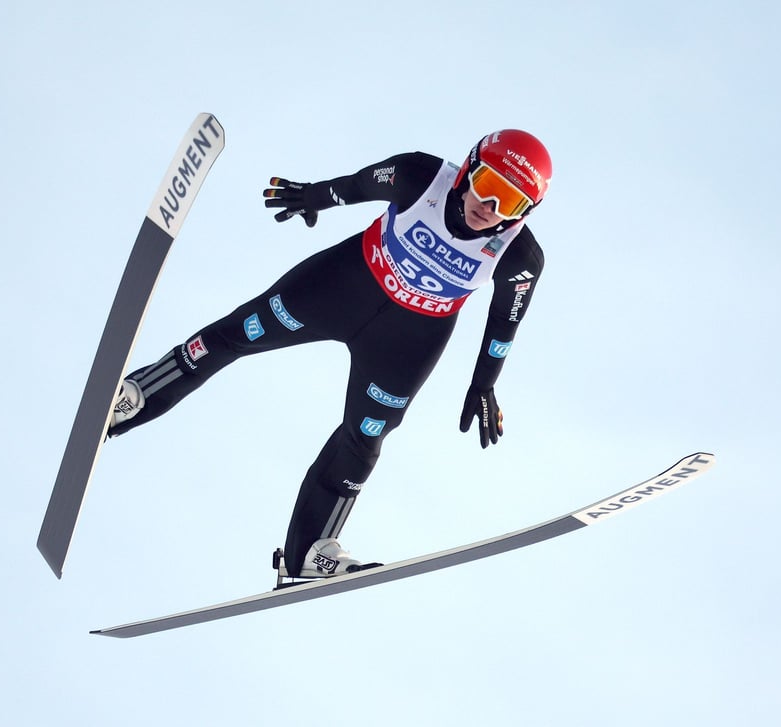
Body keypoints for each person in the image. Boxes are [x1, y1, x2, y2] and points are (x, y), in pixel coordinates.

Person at [108, 129, 552, 580]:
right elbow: (357, 186)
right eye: (488, 185)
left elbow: (504, 323)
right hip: (340, 287)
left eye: (510, 202)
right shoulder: (420, 176)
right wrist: (311, 197)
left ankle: (310, 551)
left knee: (365, 438)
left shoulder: (519, 256)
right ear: (468, 169)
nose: (490, 207)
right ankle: (135, 397)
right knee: (235, 334)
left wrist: (483, 385)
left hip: (408, 339)